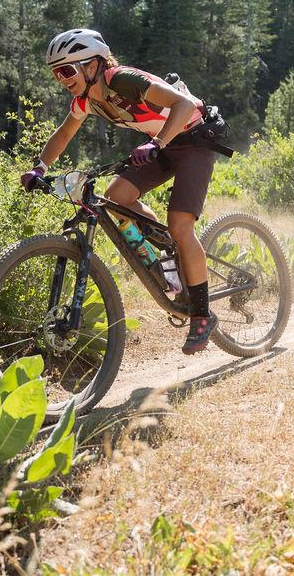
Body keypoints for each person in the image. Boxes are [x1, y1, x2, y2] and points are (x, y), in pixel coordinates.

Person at [20, 28, 224, 355]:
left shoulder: (124, 80)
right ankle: (169, 251)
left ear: (92, 65)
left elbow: (184, 104)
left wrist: (157, 142)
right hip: (163, 145)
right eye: (56, 74)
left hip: (195, 140)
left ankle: (202, 314)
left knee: (181, 225)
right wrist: (40, 167)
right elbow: (64, 133)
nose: (62, 79)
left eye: (67, 71)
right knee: (116, 198)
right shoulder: (86, 100)